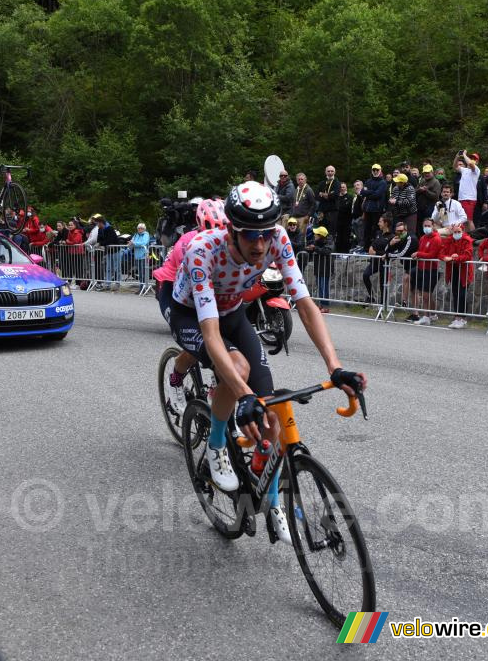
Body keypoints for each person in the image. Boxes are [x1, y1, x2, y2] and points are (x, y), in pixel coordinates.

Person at [169, 181, 365, 544]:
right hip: (190, 313)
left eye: (264, 235)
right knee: (238, 371)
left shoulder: (277, 238)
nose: (259, 245)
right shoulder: (203, 251)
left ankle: (272, 502)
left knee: (271, 412)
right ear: (231, 230)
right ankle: (215, 446)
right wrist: (242, 395)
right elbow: (211, 335)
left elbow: (305, 304)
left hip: (231, 309)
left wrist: (335, 368)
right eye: (249, 236)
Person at [155, 199, 226, 406]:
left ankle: (217, 384)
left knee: (221, 342)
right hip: (171, 287)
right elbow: (189, 284)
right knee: (199, 342)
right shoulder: (188, 242)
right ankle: (175, 381)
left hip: (202, 291)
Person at [408, 217, 443, 324]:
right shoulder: (423, 238)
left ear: (433, 226)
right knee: (425, 294)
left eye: (429, 226)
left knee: (426, 295)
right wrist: (419, 254)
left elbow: (432, 254)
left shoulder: (436, 239)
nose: (426, 228)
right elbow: (421, 251)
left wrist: (418, 254)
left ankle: (426, 316)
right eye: (425, 226)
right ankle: (432, 314)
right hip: (421, 268)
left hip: (431, 269)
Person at [440, 223, 473, 328]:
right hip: (453, 269)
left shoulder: (467, 240)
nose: (457, 234)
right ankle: (457, 317)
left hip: (464, 270)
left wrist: (455, 258)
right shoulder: (449, 240)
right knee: (455, 293)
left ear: (462, 232)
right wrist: (446, 257)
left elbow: (468, 255)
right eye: (455, 232)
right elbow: (441, 253)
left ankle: (462, 318)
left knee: (462, 294)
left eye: (459, 232)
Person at [385, 220, 417, 307]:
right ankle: (405, 302)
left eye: (401, 231)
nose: (399, 233)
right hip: (408, 266)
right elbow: (387, 250)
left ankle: (406, 303)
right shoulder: (398, 238)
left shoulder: (411, 238)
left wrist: (388, 255)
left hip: (417, 265)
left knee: (414, 287)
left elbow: (402, 254)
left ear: (406, 230)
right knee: (407, 281)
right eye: (397, 231)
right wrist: (390, 244)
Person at [362, 216, 392, 304]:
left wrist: (376, 253)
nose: (378, 223)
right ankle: (371, 296)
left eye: (380, 222)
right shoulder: (378, 233)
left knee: (383, 284)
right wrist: (372, 249)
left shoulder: (391, 236)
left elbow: (387, 251)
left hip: (384, 263)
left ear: (386, 223)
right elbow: (373, 245)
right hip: (374, 262)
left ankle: (383, 304)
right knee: (365, 275)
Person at [305, 226, 333, 312]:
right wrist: (309, 248)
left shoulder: (329, 241)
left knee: (324, 287)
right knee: (320, 287)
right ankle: (321, 305)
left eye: (316, 234)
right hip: (318, 267)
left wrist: (315, 248)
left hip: (326, 268)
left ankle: (326, 306)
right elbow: (313, 248)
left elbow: (327, 251)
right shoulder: (316, 241)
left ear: (321, 235)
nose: (314, 235)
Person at [454, 150, 481, 231]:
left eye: (474, 159)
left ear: (477, 162)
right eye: (471, 158)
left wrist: (464, 155)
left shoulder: (476, 170)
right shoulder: (465, 170)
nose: (472, 159)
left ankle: (473, 238)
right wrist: (457, 156)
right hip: (462, 198)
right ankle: (467, 237)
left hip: (469, 199)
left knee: (469, 220)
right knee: (464, 220)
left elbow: (470, 164)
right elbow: (455, 166)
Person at [362, 163, 387, 245]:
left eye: (377, 170)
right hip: (367, 209)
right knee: (366, 229)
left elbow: (377, 195)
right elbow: (362, 192)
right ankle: (366, 247)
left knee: (376, 229)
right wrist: (372, 192)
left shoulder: (383, 182)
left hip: (377, 210)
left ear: (380, 171)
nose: (375, 171)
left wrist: (368, 193)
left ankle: (375, 246)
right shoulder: (368, 181)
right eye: (374, 170)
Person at [415, 164, 441, 237]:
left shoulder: (436, 182)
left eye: (428, 172)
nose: (426, 174)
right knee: (419, 225)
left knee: (428, 225)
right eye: (425, 173)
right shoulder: (422, 181)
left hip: (430, 207)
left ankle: (429, 240)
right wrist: (420, 190)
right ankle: (420, 240)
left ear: (432, 172)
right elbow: (415, 191)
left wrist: (426, 191)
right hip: (420, 207)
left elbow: (436, 197)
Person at [291, 172, 316, 245]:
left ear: (305, 180)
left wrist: (308, 215)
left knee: (301, 236)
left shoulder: (308, 190)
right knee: (294, 235)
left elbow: (313, 204)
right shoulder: (296, 190)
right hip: (294, 217)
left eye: (302, 179)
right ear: (296, 181)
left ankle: (302, 252)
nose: (300, 181)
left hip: (303, 217)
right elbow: (293, 202)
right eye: (298, 179)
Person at [316, 166, 340, 233]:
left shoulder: (337, 183)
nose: (330, 173)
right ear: (325, 172)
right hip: (322, 210)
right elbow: (317, 195)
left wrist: (323, 194)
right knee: (321, 229)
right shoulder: (322, 183)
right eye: (328, 171)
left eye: (332, 171)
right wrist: (328, 195)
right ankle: (321, 242)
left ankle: (330, 243)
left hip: (332, 210)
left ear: (335, 172)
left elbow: (335, 195)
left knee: (331, 229)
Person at [130, 222, 151, 289]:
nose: (139, 229)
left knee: (143, 273)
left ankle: (143, 287)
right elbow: (132, 242)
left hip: (143, 256)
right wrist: (130, 244)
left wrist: (134, 243)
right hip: (137, 256)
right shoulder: (136, 235)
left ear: (144, 229)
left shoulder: (146, 234)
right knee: (140, 273)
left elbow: (144, 243)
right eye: (138, 228)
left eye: (141, 228)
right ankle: (141, 287)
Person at [335, 182, 353, 253]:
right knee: (338, 237)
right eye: (341, 187)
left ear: (346, 188)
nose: (342, 188)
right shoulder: (337, 198)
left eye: (343, 187)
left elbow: (348, 208)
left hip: (347, 221)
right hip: (337, 221)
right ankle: (338, 252)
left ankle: (345, 252)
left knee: (346, 237)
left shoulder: (350, 197)